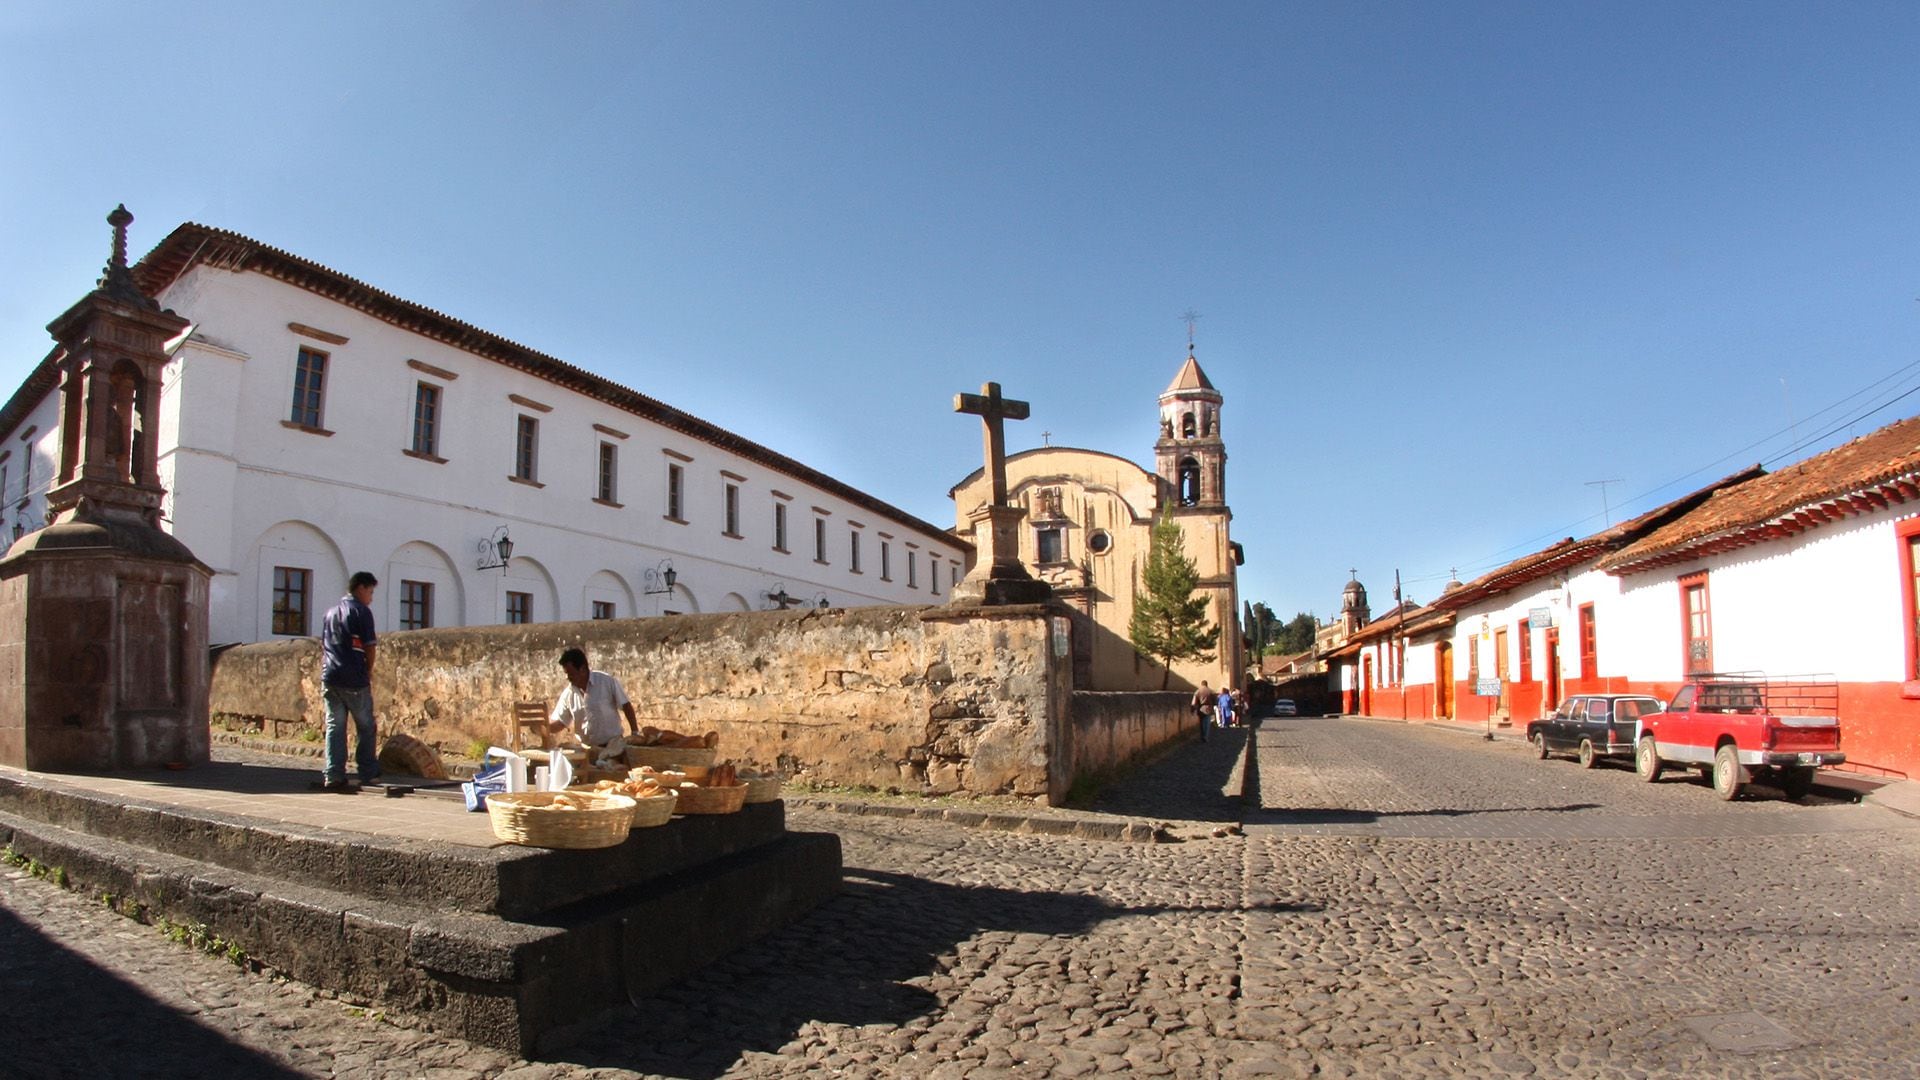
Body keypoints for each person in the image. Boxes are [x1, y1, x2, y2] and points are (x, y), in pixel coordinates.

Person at [319, 571, 381, 793]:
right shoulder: (361, 612)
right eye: (370, 592)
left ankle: (334, 773)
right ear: (361, 588)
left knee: (335, 726)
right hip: (353, 677)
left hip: (330, 675)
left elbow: (325, 646)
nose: (371, 597)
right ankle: (367, 771)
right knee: (365, 726)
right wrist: (368, 671)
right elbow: (369, 646)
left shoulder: (330, 613)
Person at [549, 647, 640, 751]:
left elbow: (626, 706)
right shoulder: (568, 694)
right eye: (566, 674)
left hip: (613, 746)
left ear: (582, 669)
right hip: (587, 750)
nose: (568, 677)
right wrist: (542, 727)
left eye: (571, 673)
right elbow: (561, 723)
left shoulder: (606, 682)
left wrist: (635, 733)